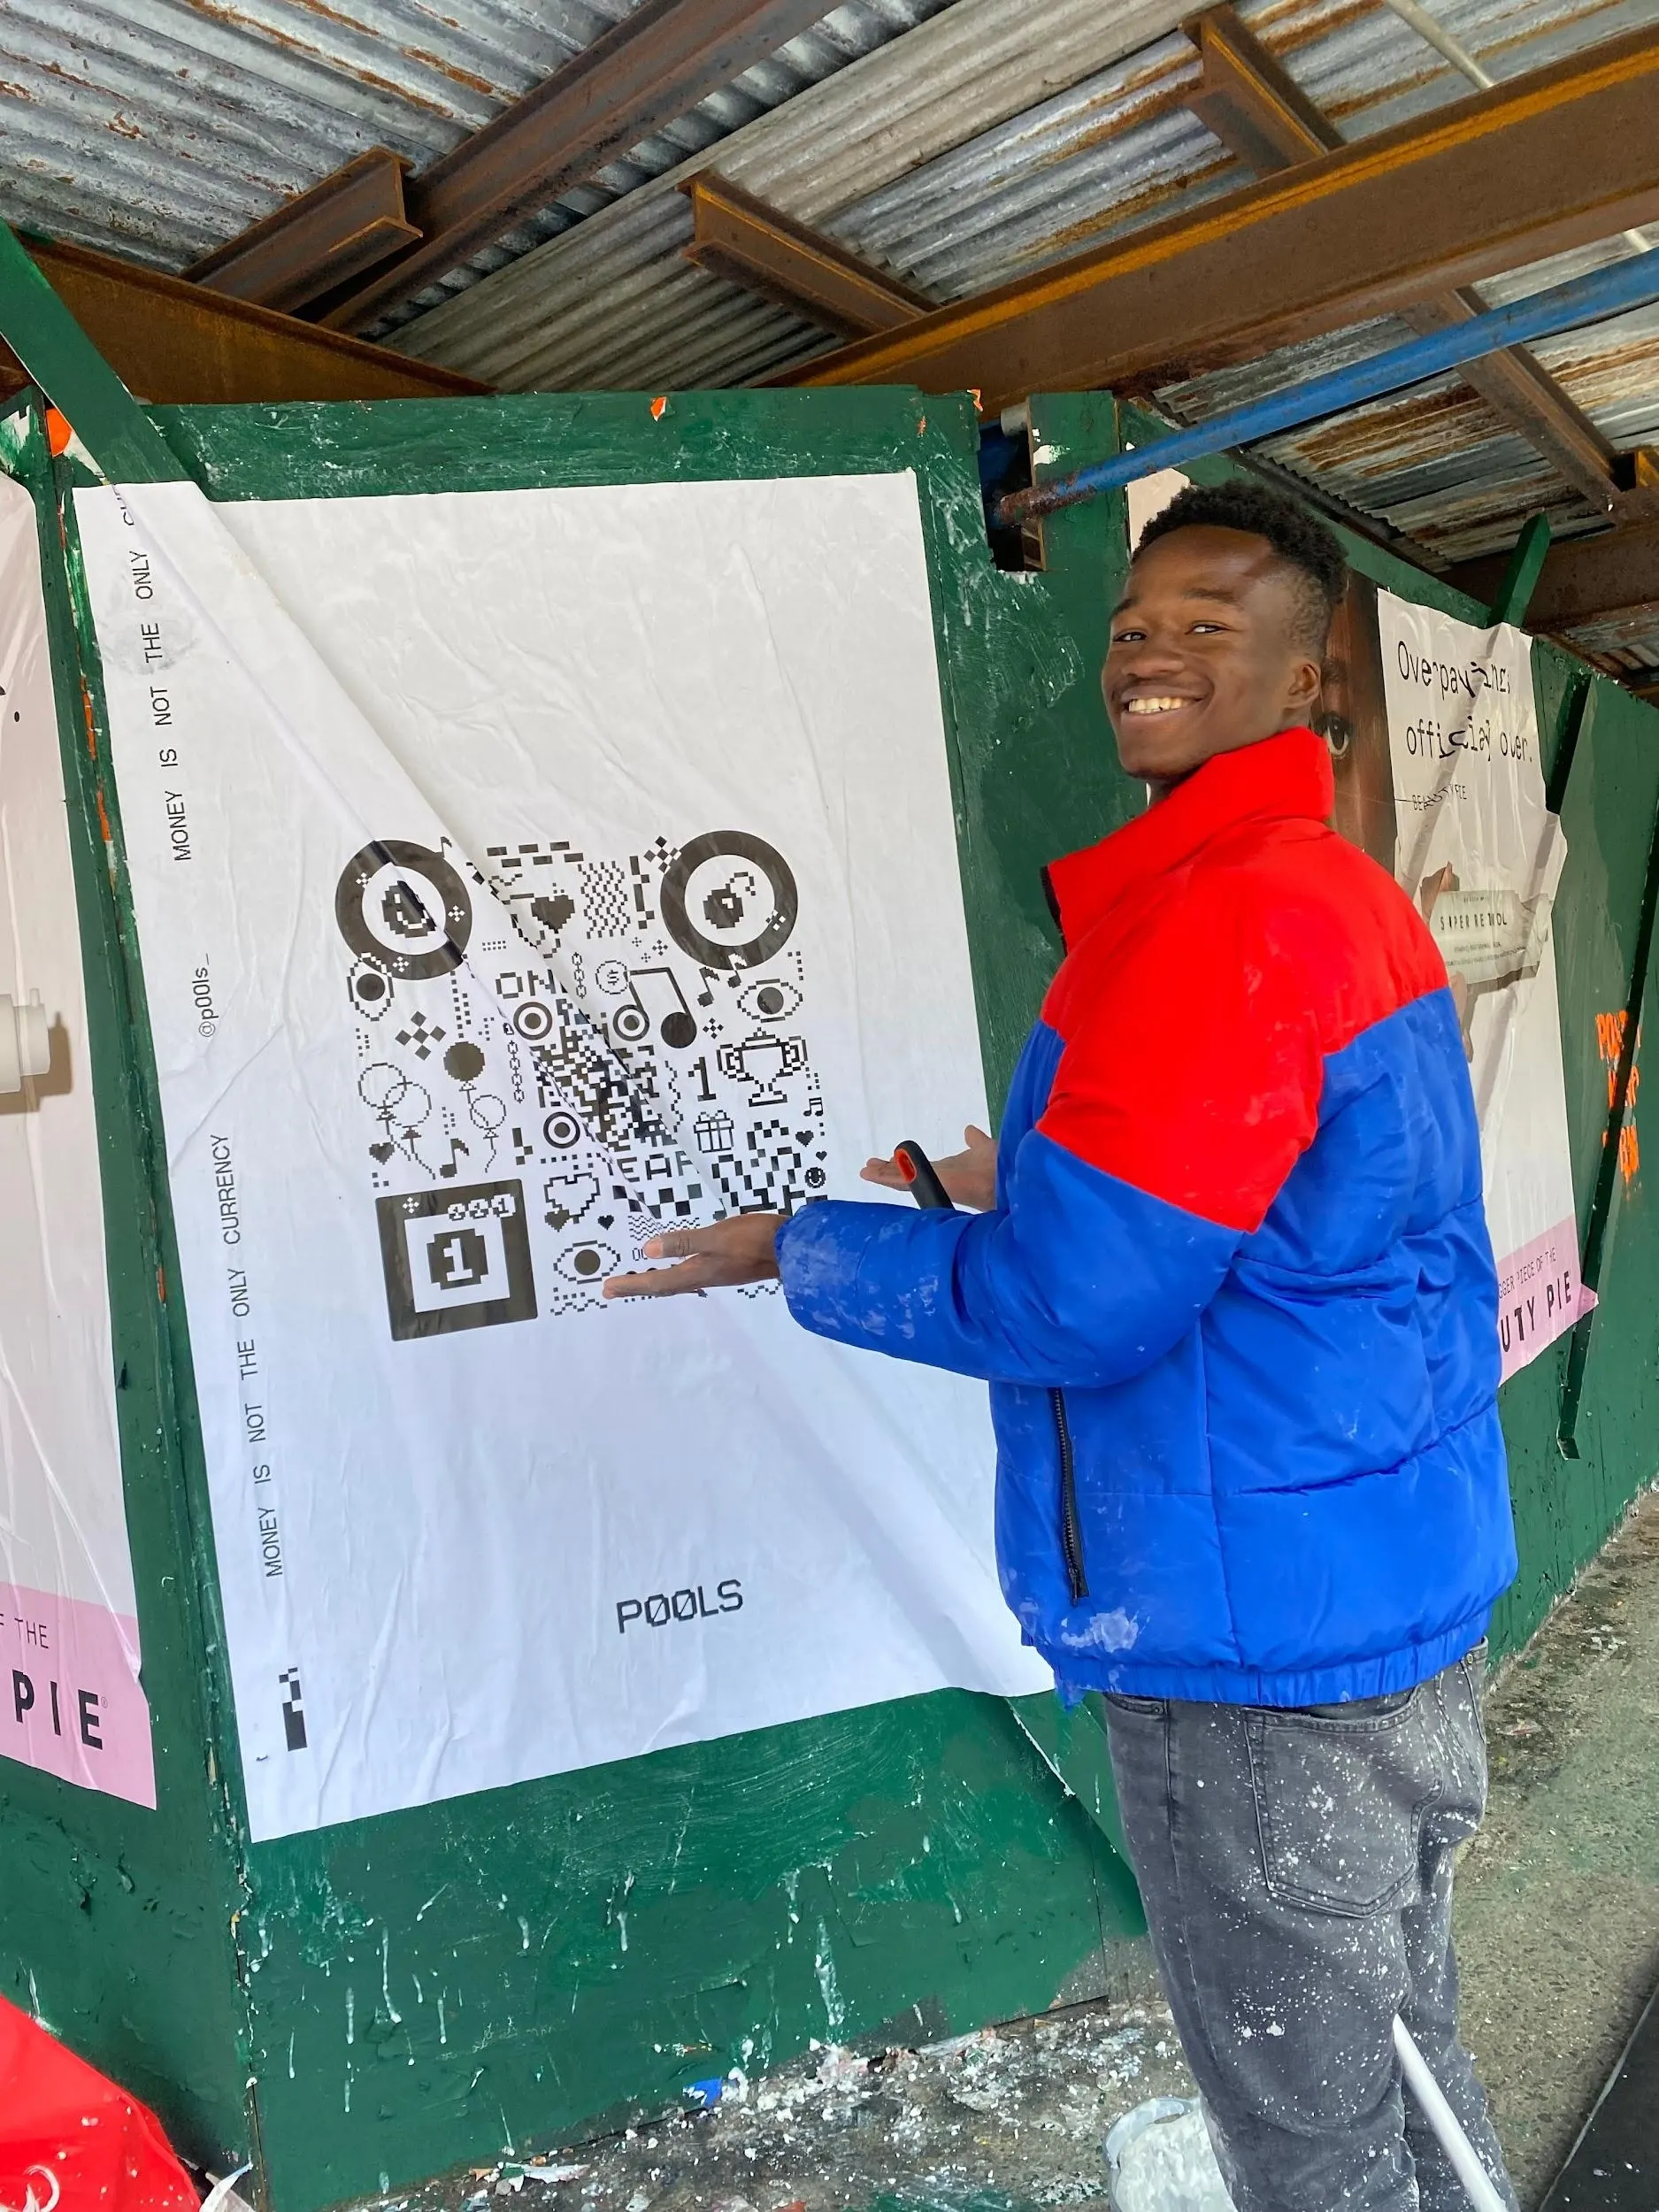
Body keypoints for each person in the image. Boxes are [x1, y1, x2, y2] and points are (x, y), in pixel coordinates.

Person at [604, 480, 1519, 2212]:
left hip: (1252, 1654)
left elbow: (1075, 1298)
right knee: (1398, 2045)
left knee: (1310, 2133)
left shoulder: (1212, 918)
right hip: (1368, 1589)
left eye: (1206, 628)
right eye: (1131, 629)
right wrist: (993, 1170)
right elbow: (1280, 1178)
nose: (1149, 657)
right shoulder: (1327, 892)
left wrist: (802, 1246)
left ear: (1311, 682)